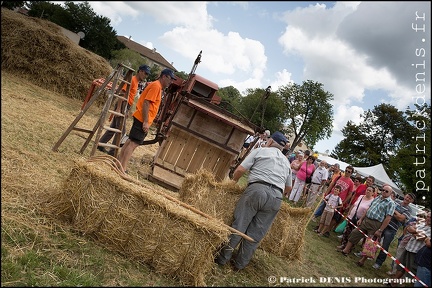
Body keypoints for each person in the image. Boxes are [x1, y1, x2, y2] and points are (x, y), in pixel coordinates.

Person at [215, 131, 292, 271]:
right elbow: (289, 187)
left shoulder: (261, 151)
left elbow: (240, 169)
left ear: (269, 141)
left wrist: (233, 182)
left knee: (239, 225)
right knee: (256, 233)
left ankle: (222, 258)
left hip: (257, 189)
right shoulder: (286, 162)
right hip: (276, 197)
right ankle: (239, 264)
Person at [117, 68, 176, 172]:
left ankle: (119, 164)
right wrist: (145, 121)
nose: (171, 81)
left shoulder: (157, 86)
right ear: (163, 76)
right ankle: (122, 168)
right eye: (170, 79)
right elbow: (146, 103)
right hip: (142, 118)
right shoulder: (156, 86)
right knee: (133, 144)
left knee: (130, 140)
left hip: (141, 117)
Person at [98, 64, 151, 155]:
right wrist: (119, 109)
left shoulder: (136, 82)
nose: (146, 76)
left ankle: (101, 144)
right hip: (122, 105)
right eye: (145, 73)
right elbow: (122, 93)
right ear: (140, 71)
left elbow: (129, 96)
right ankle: (112, 151)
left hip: (125, 106)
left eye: (147, 74)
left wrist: (128, 110)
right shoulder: (132, 80)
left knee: (113, 128)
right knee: (121, 131)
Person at [337, 185, 396, 256]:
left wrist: (380, 230)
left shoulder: (391, 203)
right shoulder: (377, 198)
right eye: (383, 190)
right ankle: (346, 250)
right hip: (366, 220)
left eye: (386, 191)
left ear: (390, 193)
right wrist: (361, 219)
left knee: (370, 242)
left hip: (376, 224)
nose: (384, 192)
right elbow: (369, 208)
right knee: (355, 233)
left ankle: (362, 260)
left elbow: (388, 218)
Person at [372, 191, 415, 270]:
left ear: (411, 201)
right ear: (405, 196)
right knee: (374, 240)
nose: (407, 199)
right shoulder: (397, 201)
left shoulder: (409, 210)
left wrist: (393, 211)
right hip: (384, 224)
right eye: (407, 196)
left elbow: (401, 218)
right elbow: (389, 209)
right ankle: (368, 255)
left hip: (392, 229)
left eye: (410, 198)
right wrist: (397, 213)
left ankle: (378, 263)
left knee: (385, 246)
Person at [391, 211, 431, 286]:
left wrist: (415, 232)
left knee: (411, 272)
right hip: (408, 247)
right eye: (427, 217)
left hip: (416, 252)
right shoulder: (421, 224)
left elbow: (421, 238)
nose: (428, 219)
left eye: (430, 217)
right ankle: (393, 283)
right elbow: (409, 228)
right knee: (401, 266)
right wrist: (418, 233)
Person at [337, 185, 375, 250]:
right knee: (347, 231)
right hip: (351, 216)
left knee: (354, 234)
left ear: (373, 193)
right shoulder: (361, 196)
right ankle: (343, 244)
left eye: (370, 191)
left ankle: (349, 247)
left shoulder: (372, 201)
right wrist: (349, 213)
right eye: (367, 190)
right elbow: (354, 205)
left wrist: (361, 219)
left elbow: (368, 211)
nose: (368, 191)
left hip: (359, 220)